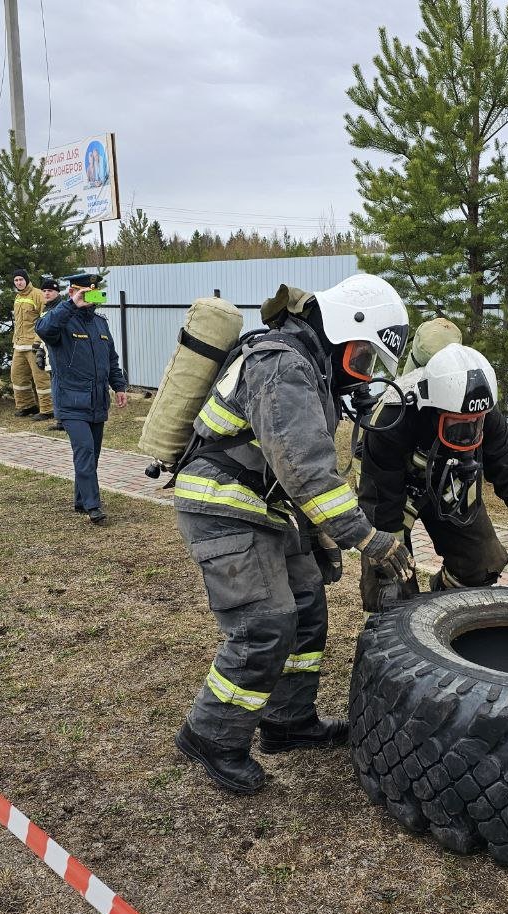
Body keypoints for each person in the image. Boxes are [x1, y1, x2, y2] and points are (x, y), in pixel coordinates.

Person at [171, 274, 415, 796]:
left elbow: (297, 469)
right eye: (363, 358)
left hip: (265, 506)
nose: (364, 375)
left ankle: (287, 721)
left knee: (306, 607)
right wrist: (366, 539)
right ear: (342, 331)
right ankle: (210, 735)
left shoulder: (306, 364)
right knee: (265, 623)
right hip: (224, 505)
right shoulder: (283, 366)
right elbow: (305, 470)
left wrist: (324, 539)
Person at [357, 337, 508, 610]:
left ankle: (440, 599)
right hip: (393, 491)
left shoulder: (483, 411)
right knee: (390, 590)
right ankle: (385, 627)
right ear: (435, 409)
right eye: (458, 426)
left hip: (449, 482)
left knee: (482, 564)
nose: (470, 434)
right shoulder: (392, 417)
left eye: (476, 424)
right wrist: (386, 561)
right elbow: (380, 500)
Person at [34, 272, 128, 523]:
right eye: (84, 293)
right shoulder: (60, 321)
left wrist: (119, 386)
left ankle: (80, 499)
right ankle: (93, 506)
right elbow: (43, 329)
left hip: (96, 401)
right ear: (72, 292)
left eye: (93, 294)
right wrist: (71, 305)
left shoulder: (100, 323)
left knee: (92, 453)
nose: (89, 298)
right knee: (84, 450)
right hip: (71, 400)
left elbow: (111, 358)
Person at [10, 269, 54, 421]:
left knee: (40, 378)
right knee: (18, 377)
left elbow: (44, 319)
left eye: (21, 279)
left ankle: (48, 410)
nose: (18, 283)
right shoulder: (18, 297)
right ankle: (26, 406)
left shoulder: (37, 294)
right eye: (16, 280)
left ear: (27, 280)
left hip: (34, 345)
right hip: (19, 345)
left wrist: (38, 341)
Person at [37, 277, 66, 431]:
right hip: (50, 357)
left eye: (50, 291)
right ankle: (60, 419)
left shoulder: (60, 309)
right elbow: (45, 335)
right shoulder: (47, 309)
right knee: (56, 388)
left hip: (60, 358)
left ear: (57, 292)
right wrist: (40, 351)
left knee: (60, 389)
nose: (47, 293)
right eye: (45, 291)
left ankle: (63, 421)